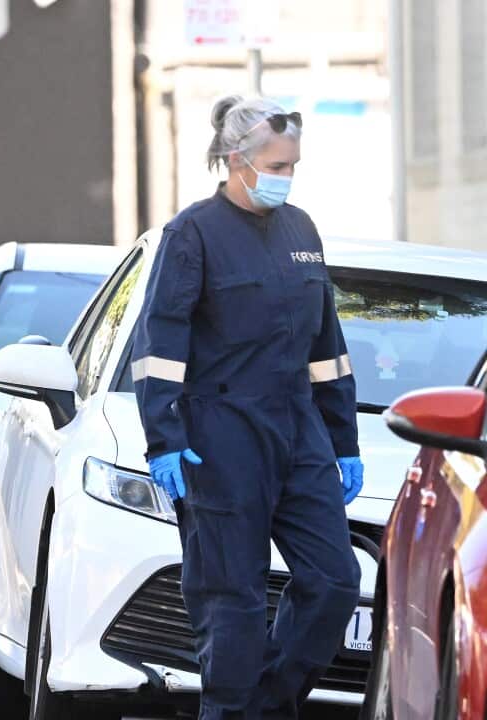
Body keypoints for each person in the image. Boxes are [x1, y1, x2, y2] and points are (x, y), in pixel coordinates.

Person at [131, 95, 364, 717]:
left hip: (300, 432)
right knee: (231, 600)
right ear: (236, 159)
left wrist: (343, 441)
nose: (286, 177)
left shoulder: (302, 231)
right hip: (220, 435)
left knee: (335, 582)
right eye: (277, 164)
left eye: (293, 166)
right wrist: (165, 438)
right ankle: (233, 709)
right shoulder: (192, 235)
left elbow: (328, 350)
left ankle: (263, 705)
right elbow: (160, 349)